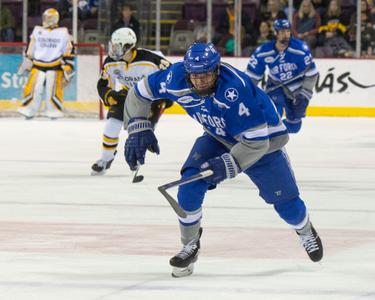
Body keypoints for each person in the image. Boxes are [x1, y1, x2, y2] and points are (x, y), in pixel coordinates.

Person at [122, 42, 323, 277]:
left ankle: (305, 230)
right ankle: (190, 246)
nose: (199, 81)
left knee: (287, 205)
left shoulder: (235, 89)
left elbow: (257, 142)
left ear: (217, 69)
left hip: (263, 144)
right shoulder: (173, 78)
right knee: (188, 187)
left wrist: (229, 164)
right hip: (218, 138)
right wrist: (138, 127)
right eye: (194, 75)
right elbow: (139, 92)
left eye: (206, 74)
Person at [91, 27, 172, 175]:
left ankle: (135, 160)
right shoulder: (110, 62)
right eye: (113, 45)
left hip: (150, 99)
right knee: (111, 126)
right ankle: (105, 159)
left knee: (141, 133)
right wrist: (110, 95)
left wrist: (166, 98)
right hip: (127, 96)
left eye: (117, 46)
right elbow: (102, 84)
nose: (113, 49)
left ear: (128, 46)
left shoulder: (151, 59)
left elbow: (171, 75)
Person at [246, 19, 319, 133]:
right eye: (282, 31)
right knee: (275, 115)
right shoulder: (263, 51)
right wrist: (248, 97)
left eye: (288, 31)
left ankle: (274, 132)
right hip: (275, 87)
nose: (286, 35)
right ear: (275, 33)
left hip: (295, 89)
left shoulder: (300, 49)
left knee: (294, 127)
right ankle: (265, 137)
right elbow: (252, 77)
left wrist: (304, 94)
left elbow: (312, 75)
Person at [17, 8, 74, 119]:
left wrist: (68, 67)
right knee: (34, 88)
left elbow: (68, 50)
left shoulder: (63, 33)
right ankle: (29, 109)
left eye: (49, 17)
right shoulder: (38, 31)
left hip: (56, 65)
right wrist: (27, 61)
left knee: (52, 90)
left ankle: (53, 110)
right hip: (38, 65)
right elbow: (31, 48)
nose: (47, 20)